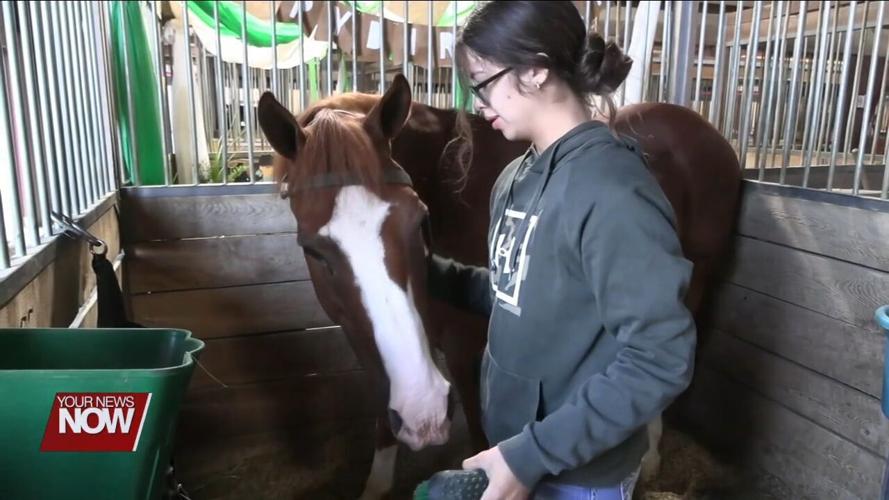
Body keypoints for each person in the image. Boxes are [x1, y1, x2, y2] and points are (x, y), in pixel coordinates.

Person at [426, 2, 697, 499]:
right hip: (515, 450)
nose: (477, 102)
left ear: (535, 69)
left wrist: (532, 455)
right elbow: (517, 295)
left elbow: (660, 356)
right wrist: (428, 273)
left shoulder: (612, 191)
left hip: (576, 476)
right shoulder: (515, 177)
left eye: (483, 82)